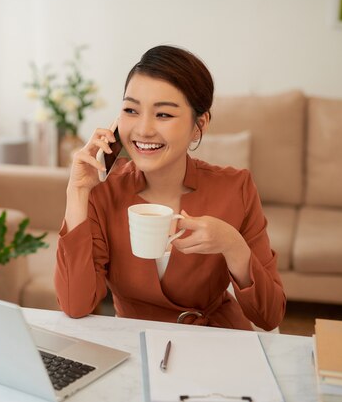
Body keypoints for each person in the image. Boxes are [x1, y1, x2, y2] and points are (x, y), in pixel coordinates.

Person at [54, 45, 285, 331]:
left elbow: (270, 316)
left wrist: (233, 245)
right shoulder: (102, 191)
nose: (143, 129)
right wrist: (76, 191)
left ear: (199, 124)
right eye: (131, 110)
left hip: (216, 344)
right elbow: (75, 305)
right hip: (135, 347)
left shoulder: (236, 188)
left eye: (163, 114)